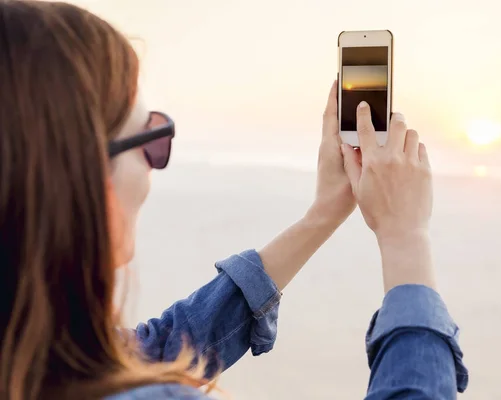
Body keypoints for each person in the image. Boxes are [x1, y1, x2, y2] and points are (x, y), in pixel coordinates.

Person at [0, 1, 468, 399]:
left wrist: (323, 213)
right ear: (83, 183)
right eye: (152, 136)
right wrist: (406, 240)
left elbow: (153, 349)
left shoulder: (29, 355)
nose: (153, 161)